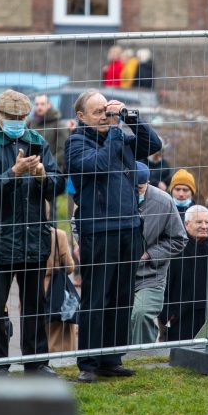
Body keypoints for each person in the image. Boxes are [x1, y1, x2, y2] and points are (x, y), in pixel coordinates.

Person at [65, 88, 162, 382]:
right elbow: (99, 165)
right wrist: (117, 133)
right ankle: (89, 363)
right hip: (99, 230)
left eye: (107, 110)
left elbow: (154, 143)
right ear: (81, 116)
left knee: (121, 297)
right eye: (98, 112)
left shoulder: (119, 136)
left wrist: (130, 117)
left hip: (129, 228)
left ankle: (112, 357)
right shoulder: (76, 143)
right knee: (97, 297)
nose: (105, 116)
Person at [0, 90, 66, 376]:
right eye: (11, 117)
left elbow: (58, 185)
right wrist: (13, 173)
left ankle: (36, 363)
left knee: (35, 307)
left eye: (21, 118)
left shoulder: (37, 141)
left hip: (32, 239)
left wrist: (42, 177)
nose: (16, 122)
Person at [131, 162, 187, 345]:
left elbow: (179, 239)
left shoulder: (163, 201)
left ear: (147, 183)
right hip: (117, 273)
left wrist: (149, 254)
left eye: (140, 188)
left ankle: (140, 358)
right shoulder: (114, 196)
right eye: (132, 188)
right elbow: (78, 221)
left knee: (141, 314)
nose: (136, 193)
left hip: (150, 275)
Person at [163, 205, 208, 341]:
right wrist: (168, 315)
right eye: (199, 222)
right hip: (181, 320)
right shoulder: (175, 251)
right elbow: (164, 285)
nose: (204, 226)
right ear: (186, 224)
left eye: (207, 222)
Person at [44, 225, 77, 352]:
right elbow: (69, 267)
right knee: (59, 330)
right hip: (56, 290)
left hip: (32, 288)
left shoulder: (24, 232)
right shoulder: (58, 235)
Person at [29, 94, 70, 173]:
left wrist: (47, 165)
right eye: (37, 104)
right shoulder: (30, 123)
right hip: (31, 171)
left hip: (52, 172)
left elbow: (62, 151)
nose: (39, 107)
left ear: (49, 105)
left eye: (42, 104)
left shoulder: (59, 125)